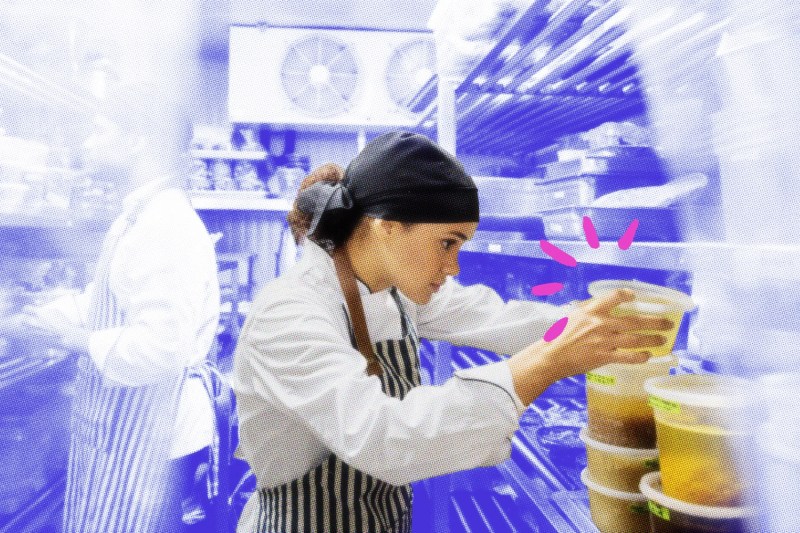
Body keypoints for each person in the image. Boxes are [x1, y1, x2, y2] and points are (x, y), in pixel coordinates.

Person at [232, 132, 672, 532]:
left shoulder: (392, 291)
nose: (454, 266)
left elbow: (493, 316)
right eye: (447, 242)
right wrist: (544, 364)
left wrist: (588, 324)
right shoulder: (289, 315)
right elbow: (383, 439)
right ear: (387, 227)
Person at [24, 84, 221, 532]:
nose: (89, 142)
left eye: (100, 130)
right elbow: (103, 301)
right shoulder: (138, 215)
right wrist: (29, 317)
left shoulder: (166, 224)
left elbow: (161, 347)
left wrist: (75, 341)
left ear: (137, 141)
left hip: (155, 437)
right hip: (130, 426)